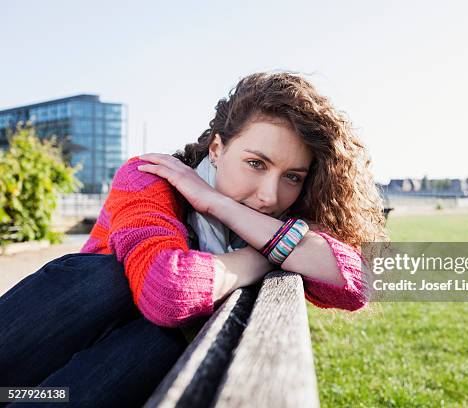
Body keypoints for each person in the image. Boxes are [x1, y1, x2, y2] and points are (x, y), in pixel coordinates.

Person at [0, 72, 387, 407]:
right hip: (25, 374)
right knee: (108, 278)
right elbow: (168, 291)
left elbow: (358, 281)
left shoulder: (274, 221)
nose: (270, 195)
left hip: (93, 379)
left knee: (157, 344)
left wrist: (222, 206)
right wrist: (266, 255)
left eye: (292, 177)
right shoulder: (150, 177)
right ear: (217, 149)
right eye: (256, 163)